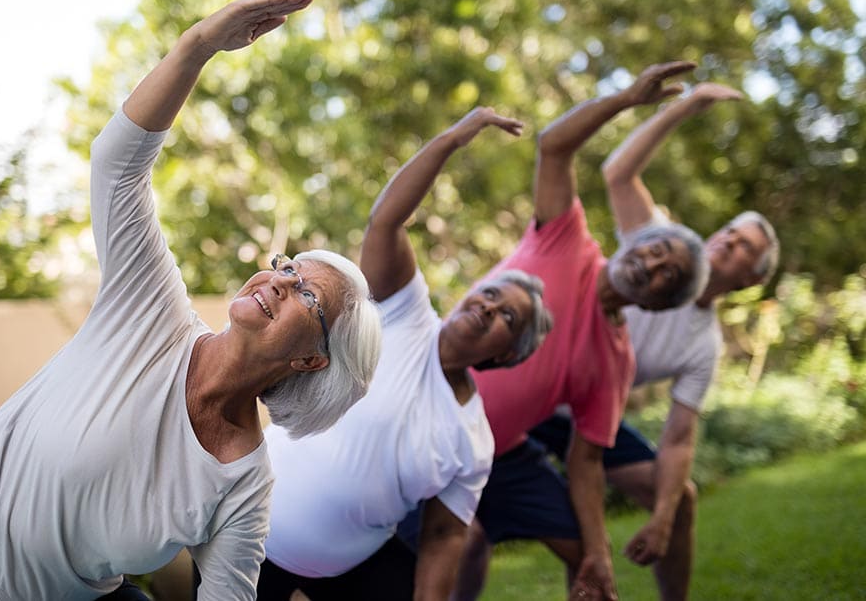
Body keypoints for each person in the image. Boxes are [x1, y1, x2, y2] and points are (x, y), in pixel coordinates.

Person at [0, 0, 383, 601]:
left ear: (311, 359)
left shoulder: (244, 482)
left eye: (307, 294)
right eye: (287, 266)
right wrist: (198, 47)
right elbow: (116, 166)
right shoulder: (154, 310)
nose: (280, 279)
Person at [255, 108, 554, 600]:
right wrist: (453, 138)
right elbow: (387, 219)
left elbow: (443, 536)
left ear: (506, 355)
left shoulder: (473, 440)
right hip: (254, 530)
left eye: (509, 317)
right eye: (492, 294)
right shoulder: (405, 313)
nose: (489, 305)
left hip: (350, 564)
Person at [450, 62, 711, 601]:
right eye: (655, 251)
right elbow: (554, 146)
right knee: (455, 544)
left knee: (585, 557)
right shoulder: (566, 238)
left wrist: (599, 550)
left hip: (499, 451)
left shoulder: (616, 361)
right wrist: (626, 99)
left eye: (667, 278)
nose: (652, 267)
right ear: (635, 241)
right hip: (430, 422)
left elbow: (586, 461)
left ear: (658, 305)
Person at [527, 80, 779, 601]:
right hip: (529, 391)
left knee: (680, 498)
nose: (726, 240)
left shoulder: (702, 345)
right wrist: (684, 107)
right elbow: (618, 171)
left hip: (589, 419)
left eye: (741, 247)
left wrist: (662, 518)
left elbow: (679, 438)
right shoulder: (661, 246)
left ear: (751, 278)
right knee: (482, 528)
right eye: (729, 231)